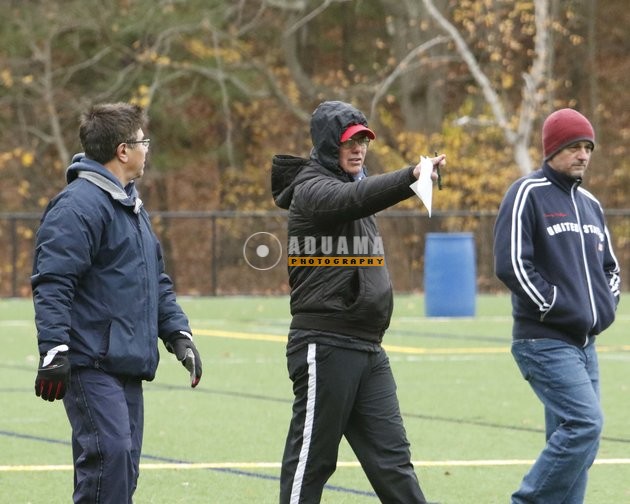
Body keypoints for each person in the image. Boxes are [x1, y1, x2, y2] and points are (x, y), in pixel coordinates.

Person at [271, 100, 445, 504]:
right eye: (349, 142)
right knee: (312, 463)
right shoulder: (312, 189)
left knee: (394, 464)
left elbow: (360, 195)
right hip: (326, 344)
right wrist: (411, 175)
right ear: (328, 144)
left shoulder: (351, 185)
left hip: (368, 347)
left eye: (364, 141)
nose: (358, 149)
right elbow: (358, 197)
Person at [31, 102, 203, 503]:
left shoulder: (130, 205)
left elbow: (154, 281)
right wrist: (54, 349)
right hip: (90, 362)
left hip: (125, 363)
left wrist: (178, 334)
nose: (147, 148)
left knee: (122, 472)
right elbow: (53, 282)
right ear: (123, 151)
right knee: (110, 461)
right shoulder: (77, 206)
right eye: (143, 141)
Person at [493, 108, 621, 504]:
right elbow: (511, 263)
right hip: (543, 340)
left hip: (585, 344)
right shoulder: (526, 193)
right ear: (552, 149)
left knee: (579, 442)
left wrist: (604, 306)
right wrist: (553, 305)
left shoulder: (591, 204)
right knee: (585, 425)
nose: (583, 155)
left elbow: (611, 268)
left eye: (588, 147)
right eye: (574, 146)